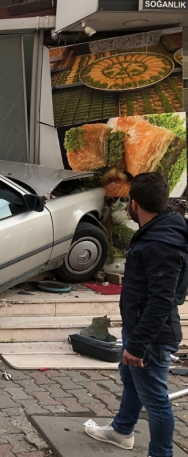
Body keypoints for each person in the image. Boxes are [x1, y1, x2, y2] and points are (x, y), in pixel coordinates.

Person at [85, 173, 188, 457]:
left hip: (152, 336)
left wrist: (139, 344)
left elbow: (162, 300)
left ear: (135, 204)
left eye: (128, 201)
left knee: (155, 399)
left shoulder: (161, 243)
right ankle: (121, 431)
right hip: (141, 329)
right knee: (131, 381)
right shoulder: (159, 229)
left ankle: (161, 453)